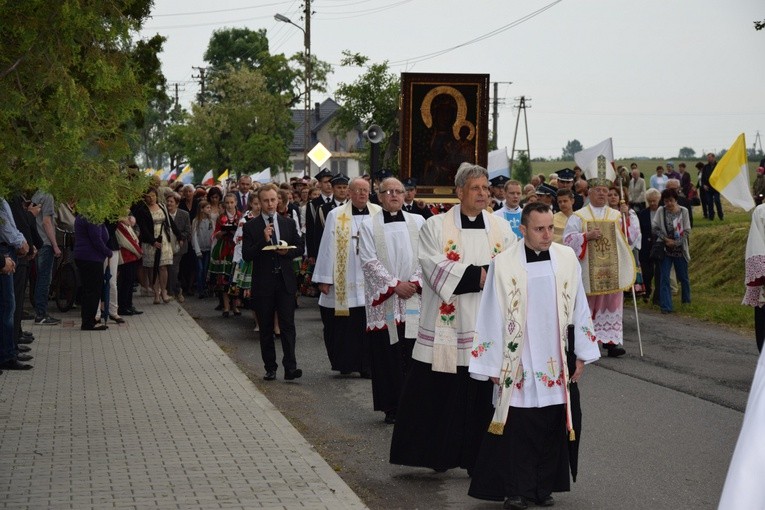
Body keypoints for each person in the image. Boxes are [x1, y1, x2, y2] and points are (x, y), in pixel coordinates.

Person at [467, 202, 600, 509]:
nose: (546, 234)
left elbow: (580, 307)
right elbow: (490, 313)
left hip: (555, 357)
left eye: (550, 228)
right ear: (523, 229)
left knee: (553, 424)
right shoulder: (504, 263)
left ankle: (543, 487)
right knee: (517, 427)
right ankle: (515, 490)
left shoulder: (566, 258)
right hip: (520, 358)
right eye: (539, 229)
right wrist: (491, 363)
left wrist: (581, 352)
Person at [390, 162, 517, 473]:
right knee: (441, 395)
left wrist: (496, 277)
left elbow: (515, 266)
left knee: (481, 397)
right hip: (449, 326)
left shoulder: (501, 229)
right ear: (460, 192)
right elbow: (433, 266)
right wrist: (480, 277)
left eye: (486, 188)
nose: (484, 194)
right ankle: (439, 456)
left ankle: (479, 459)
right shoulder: (435, 227)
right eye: (476, 188)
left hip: (488, 324)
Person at [359, 177, 426, 424]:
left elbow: (426, 256)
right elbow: (368, 261)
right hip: (387, 301)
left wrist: (414, 283)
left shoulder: (418, 222)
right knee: (388, 352)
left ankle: (414, 404)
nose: (395, 195)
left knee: (412, 351)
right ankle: (392, 407)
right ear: (380, 196)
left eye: (399, 191)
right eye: (389, 191)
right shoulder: (368, 226)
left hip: (413, 298)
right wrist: (395, 285)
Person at [564, 167, 637, 358]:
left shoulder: (615, 215)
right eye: (598, 190)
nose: (602, 194)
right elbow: (567, 241)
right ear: (589, 192)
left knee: (612, 305)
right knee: (588, 305)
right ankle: (588, 341)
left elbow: (630, 239)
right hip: (588, 269)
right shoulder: (579, 216)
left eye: (605, 191)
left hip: (612, 268)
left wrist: (627, 216)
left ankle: (612, 342)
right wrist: (586, 236)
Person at [313, 177, 382, 376]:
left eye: (365, 190)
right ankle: (347, 363)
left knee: (369, 324)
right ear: (349, 193)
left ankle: (368, 365)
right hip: (347, 277)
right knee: (347, 325)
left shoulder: (378, 213)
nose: (362, 194)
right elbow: (327, 247)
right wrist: (325, 278)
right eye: (358, 190)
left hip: (371, 278)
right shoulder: (337, 215)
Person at [241, 184, 305, 381]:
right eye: (266, 200)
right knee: (266, 327)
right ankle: (270, 367)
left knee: (288, 325)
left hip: (285, 281)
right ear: (259, 203)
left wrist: (288, 252)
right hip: (263, 283)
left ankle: (291, 367)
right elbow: (247, 255)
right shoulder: (251, 226)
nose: (270, 204)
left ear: (279, 200)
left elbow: (300, 247)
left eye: (273, 200)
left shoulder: (288, 223)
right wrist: (262, 240)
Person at [0, 198, 32, 371]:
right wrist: (20, 242)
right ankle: (7, 354)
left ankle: (8, 351)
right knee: (8, 306)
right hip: (4, 249)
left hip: (8, 248)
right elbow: (6, 227)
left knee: (8, 306)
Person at [133, 187, 179, 305]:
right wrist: (153, 241)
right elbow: (143, 228)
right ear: (145, 197)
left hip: (163, 238)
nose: (151, 198)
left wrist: (179, 236)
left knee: (163, 267)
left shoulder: (162, 206)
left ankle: (164, 291)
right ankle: (156, 293)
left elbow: (169, 222)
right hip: (150, 242)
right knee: (152, 268)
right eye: (148, 196)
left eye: (153, 196)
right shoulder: (142, 210)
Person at [652, 188, 691, 314]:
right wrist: (665, 239)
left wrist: (676, 243)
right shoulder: (661, 210)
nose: (669, 204)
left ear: (676, 200)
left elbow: (687, 230)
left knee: (683, 277)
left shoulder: (683, 211)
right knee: (664, 277)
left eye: (671, 201)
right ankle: (666, 306)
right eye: (666, 201)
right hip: (665, 249)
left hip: (680, 249)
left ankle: (686, 302)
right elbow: (655, 228)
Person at [73, 214, 113, 331]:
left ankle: (88, 319)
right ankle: (88, 322)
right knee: (93, 290)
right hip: (91, 257)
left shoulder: (83, 215)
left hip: (84, 256)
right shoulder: (92, 216)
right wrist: (108, 252)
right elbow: (96, 239)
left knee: (88, 290)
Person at [30, 190, 62, 325]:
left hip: (37, 241)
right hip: (45, 243)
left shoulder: (36, 195)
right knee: (44, 279)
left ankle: (40, 312)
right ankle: (41, 314)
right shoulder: (48, 196)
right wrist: (55, 245)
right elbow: (47, 222)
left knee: (39, 279)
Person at [209, 193, 241, 317]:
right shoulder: (220, 217)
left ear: (236, 203)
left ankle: (235, 306)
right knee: (224, 279)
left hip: (235, 248)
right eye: (227, 203)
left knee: (235, 278)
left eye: (232, 202)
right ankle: (226, 306)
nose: (229, 205)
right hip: (223, 247)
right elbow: (215, 232)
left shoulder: (240, 216)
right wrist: (220, 232)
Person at [115, 214, 143, 317]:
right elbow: (127, 241)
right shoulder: (120, 225)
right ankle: (123, 306)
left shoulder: (125, 223)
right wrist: (139, 251)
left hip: (132, 256)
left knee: (130, 281)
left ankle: (128, 305)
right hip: (126, 256)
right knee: (126, 282)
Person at [638, 189, 662, 304]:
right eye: (650, 201)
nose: (652, 203)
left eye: (654, 201)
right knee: (647, 272)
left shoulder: (663, 212)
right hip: (646, 246)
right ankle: (647, 291)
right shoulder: (643, 213)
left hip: (659, 245)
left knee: (658, 272)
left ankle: (657, 297)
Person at [165, 192, 191, 303]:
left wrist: (181, 238)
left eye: (171, 201)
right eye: (168, 201)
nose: (169, 203)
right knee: (166, 269)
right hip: (166, 245)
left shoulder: (184, 215)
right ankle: (175, 290)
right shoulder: (164, 214)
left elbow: (187, 231)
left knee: (173, 268)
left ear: (177, 203)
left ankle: (172, 292)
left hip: (178, 246)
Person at [305, 168, 334, 261]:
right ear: (319, 184)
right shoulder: (313, 204)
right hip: (320, 246)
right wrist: (311, 254)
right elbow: (310, 230)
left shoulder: (338, 201)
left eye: (331, 181)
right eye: (326, 182)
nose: (329, 184)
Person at [191, 200, 214, 298]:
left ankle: (204, 288)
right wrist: (197, 250)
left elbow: (213, 235)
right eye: (207, 208)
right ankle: (200, 290)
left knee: (205, 269)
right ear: (201, 209)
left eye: (209, 207)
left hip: (208, 249)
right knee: (200, 269)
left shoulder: (211, 221)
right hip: (199, 249)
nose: (209, 209)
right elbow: (194, 236)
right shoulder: (196, 221)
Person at [701, 152, 723, 221]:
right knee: (709, 202)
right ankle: (711, 217)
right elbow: (703, 178)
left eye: (709, 157)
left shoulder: (718, 165)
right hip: (708, 188)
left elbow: (721, 176)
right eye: (707, 158)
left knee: (717, 201)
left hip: (716, 187)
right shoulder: (705, 167)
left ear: (713, 158)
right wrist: (703, 185)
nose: (708, 159)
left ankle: (721, 216)